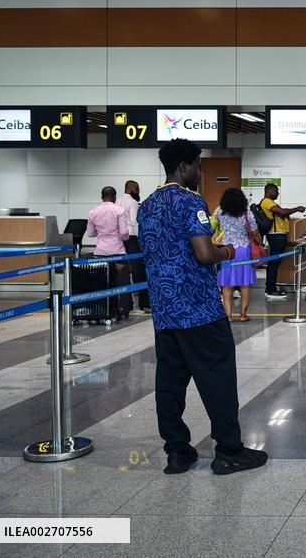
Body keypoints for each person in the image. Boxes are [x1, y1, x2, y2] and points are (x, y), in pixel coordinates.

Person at [138, 138, 268, 476]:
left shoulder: (147, 205)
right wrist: (229, 252)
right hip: (199, 311)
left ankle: (178, 452)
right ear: (183, 167)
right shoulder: (190, 200)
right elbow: (204, 253)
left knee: (169, 384)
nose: (199, 171)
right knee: (218, 381)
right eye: (197, 165)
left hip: (165, 312)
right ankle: (228, 451)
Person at [215, 187, 261, 322]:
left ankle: (228, 316)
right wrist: (260, 243)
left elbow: (215, 225)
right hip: (243, 250)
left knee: (227, 285)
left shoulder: (220, 213)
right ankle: (243, 315)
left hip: (227, 251)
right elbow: (254, 233)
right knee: (244, 284)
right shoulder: (248, 214)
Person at [87, 186, 132, 319]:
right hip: (117, 251)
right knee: (122, 282)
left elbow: (90, 233)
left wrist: (101, 233)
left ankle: (102, 309)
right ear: (114, 197)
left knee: (101, 282)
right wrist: (123, 237)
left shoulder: (93, 212)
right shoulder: (119, 210)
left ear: (101, 197)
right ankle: (123, 308)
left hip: (100, 252)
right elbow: (124, 233)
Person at [259, 183, 306, 300]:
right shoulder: (267, 201)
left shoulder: (270, 202)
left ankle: (271, 288)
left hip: (278, 236)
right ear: (269, 191)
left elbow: (281, 214)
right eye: (276, 191)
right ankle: (270, 290)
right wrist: (297, 209)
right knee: (274, 263)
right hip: (275, 236)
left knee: (275, 262)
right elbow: (282, 212)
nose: (278, 193)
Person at [118, 180, 151, 314]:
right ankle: (142, 304)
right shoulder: (133, 203)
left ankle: (127, 304)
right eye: (137, 189)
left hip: (120, 239)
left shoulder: (117, 201)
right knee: (139, 270)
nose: (138, 192)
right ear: (131, 189)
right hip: (132, 238)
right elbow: (134, 222)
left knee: (124, 271)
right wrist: (141, 240)